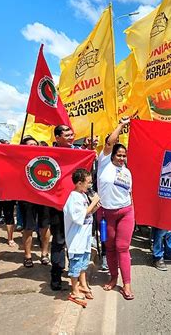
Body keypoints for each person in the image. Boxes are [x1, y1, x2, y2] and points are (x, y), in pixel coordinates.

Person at [97, 117, 135, 300]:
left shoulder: (127, 171)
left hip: (126, 212)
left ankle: (127, 284)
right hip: (105, 215)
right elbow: (110, 142)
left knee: (122, 247)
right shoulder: (104, 162)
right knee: (109, 247)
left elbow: (130, 193)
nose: (121, 158)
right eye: (119, 155)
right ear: (111, 154)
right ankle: (113, 278)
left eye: (124, 156)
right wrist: (121, 125)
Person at [63, 168, 101, 308]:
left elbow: (89, 212)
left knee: (84, 262)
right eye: (88, 183)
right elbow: (80, 215)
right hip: (76, 239)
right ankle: (74, 290)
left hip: (84, 237)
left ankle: (83, 284)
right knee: (75, 265)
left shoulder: (83, 195)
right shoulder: (73, 198)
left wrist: (95, 206)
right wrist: (93, 203)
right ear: (79, 183)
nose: (90, 185)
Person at [49, 125, 80, 290]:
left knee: (76, 240)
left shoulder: (80, 152)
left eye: (71, 134)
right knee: (59, 242)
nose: (71, 137)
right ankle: (56, 274)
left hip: (76, 205)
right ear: (57, 137)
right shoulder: (49, 154)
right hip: (57, 206)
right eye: (67, 134)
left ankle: (75, 273)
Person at [19, 136, 51, 268]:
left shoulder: (44, 158)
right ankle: (27, 255)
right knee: (28, 227)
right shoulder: (19, 160)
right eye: (30, 144)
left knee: (44, 226)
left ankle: (44, 253)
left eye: (35, 144)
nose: (33, 145)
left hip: (43, 197)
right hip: (26, 198)